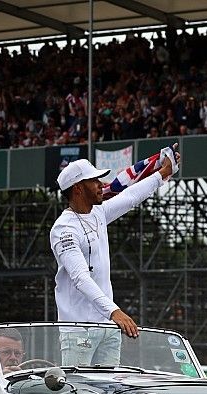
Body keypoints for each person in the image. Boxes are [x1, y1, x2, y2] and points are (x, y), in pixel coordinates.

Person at [50, 146, 179, 366]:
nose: (102, 186)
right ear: (79, 188)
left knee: (109, 392)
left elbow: (130, 197)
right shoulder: (63, 229)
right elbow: (80, 277)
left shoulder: (98, 213)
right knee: (79, 393)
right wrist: (114, 311)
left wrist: (162, 173)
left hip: (107, 327)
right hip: (79, 330)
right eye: (95, 181)